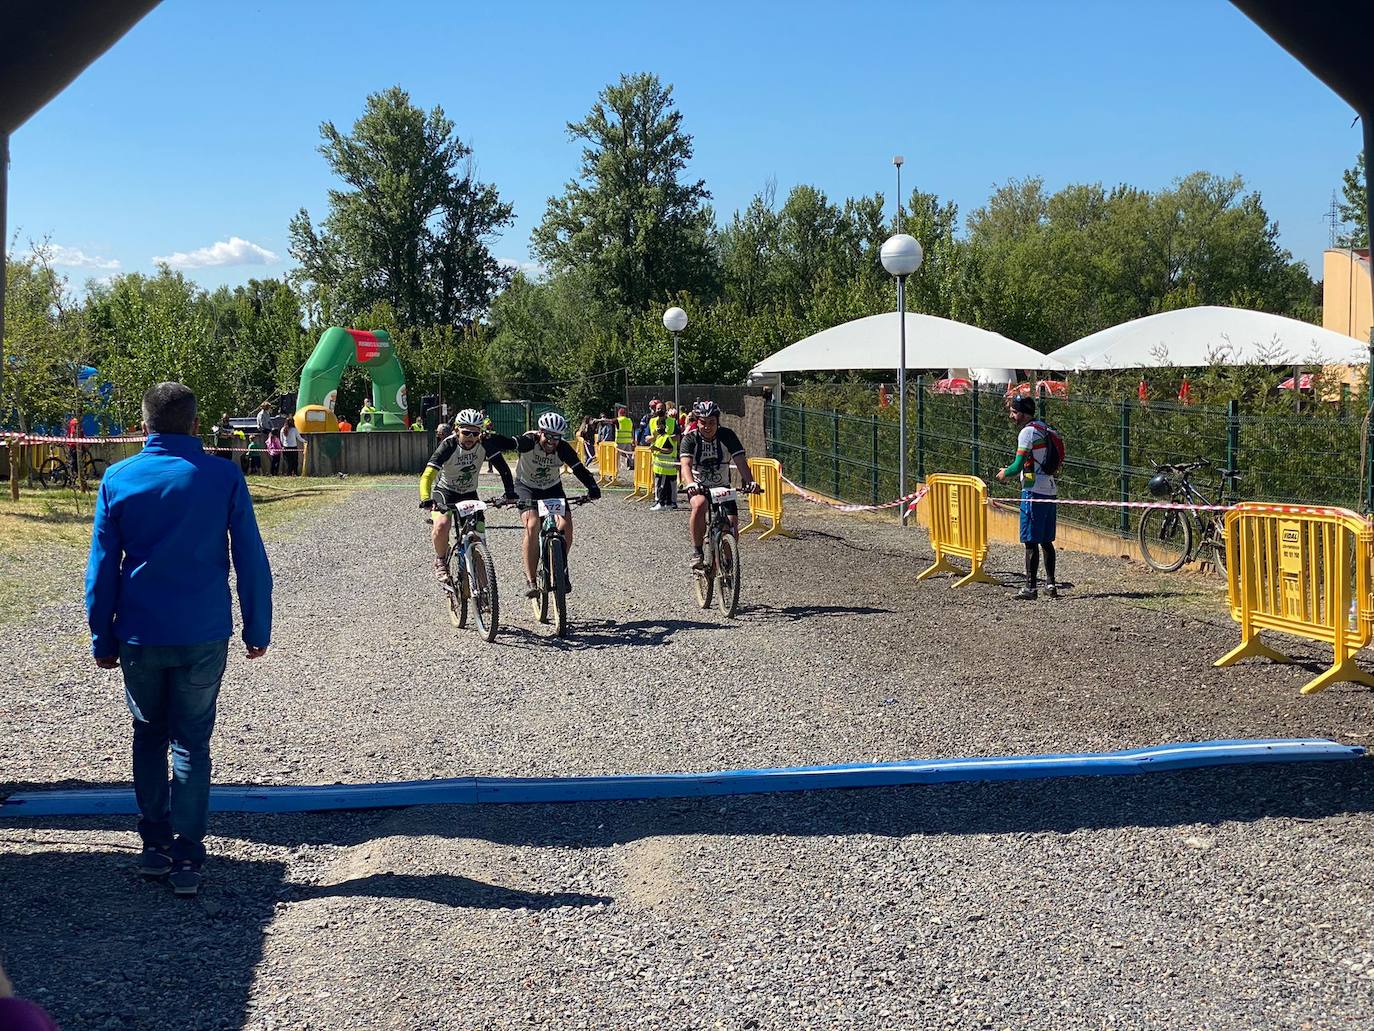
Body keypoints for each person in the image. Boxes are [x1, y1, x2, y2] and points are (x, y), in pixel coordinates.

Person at [85, 382, 272, 897]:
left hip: (140, 633)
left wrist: (102, 634)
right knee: (191, 739)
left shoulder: (118, 478)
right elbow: (250, 558)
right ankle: (187, 855)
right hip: (203, 631)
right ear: (195, 424)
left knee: (147, 733)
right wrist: (258, 626)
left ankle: (153, 846)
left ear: (144, 423)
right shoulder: (223, 476)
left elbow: (102, 568)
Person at [484, 412, 600, 598]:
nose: (552, 441)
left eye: (557, 437)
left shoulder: (562, 448)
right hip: (526, 487)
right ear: (540, 432)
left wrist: (592, 487)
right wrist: (490, 438)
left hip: (552, 488)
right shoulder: (529, 441)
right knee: (532, 524)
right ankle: (530, 580)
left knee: (566, 525)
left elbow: (579, 469)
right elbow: (507, 443)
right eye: (549, 436)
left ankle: (560, 565)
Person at [418, 408, 516, 582]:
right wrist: (426, 498)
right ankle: (441, 560)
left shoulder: (485, 443)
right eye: (466, 432)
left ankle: (485, 590)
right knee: (441, 524)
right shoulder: (448, 445)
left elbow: (504, 469)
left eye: (475, 433)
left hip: (469, 493)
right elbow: (427, 475)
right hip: (446, 491)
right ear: (456, 430)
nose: (471, 437)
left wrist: (510, 493)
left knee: (478, 536)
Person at [680, 400, 760, 570]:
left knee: (731, 523)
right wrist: (690, 484)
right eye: (703, 423)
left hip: (722, 486)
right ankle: (698, 552)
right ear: (697, 421)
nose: (707, 427)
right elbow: (685, 465)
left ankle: (728, 563)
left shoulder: (727, 435)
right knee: (700, 504)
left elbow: (740, 462)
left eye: (711, 423)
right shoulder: (690, 439)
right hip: (699, 486)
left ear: (718, 422)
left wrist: (751, 482)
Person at [997, 395, 1059, 600]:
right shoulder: (1045, 427)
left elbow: (1017, 465)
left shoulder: (1027, 432)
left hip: (1033, 491)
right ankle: (1050, 584)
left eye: (1014, 412)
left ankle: (1030, 588)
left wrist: (1005, 473)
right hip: (1050, 489)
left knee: (1030, 540)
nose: (1011, 416)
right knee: (1046, 540)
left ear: (1023, 413)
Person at [648, 403, 682, 510]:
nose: (659, 410)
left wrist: (668, 438)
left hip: (670, 458)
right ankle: (664, 502)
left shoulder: (672, 422)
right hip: (658, 459)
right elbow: (651, 437)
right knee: (661, 481)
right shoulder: (652, 421)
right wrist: (651, 438)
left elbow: (677, 437)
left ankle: (666, 502)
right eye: (658, 409)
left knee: (669, 482)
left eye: (661, 409)